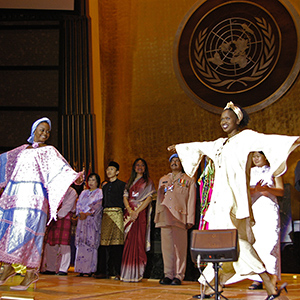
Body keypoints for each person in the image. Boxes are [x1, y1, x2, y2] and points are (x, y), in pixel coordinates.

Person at [168, 101, 300, 299]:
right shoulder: (220, 144)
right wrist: (179, 147)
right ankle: (214, 286)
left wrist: (293, 141)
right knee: (220, 244)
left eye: (227, 118)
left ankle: (267, 282)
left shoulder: (247, 138)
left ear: (237, 120)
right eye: (221, 119)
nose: (223, 122)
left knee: (235, 243)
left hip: (234, 202)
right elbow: (201, 147)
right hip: (218, 203)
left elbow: (269, 141)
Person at [0, 117, 84, 290]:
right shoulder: (23, 150)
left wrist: (75, 176)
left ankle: (30, 274)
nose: (45, 133)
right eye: (42, 129)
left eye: (47, 131)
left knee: (31, 233)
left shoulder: (49, 151)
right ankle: (8, 267)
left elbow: (62, 169)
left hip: (35, 199)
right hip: (16, 197)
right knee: (12, 231)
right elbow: (5, 162)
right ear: (34, 130)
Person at [155, 153, 196, 285]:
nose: (174, 163)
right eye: (172, 160)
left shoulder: (189, 179)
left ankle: (179, 275)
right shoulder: (163, 179)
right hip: (165, 216)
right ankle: (168, 274)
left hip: (180, 216)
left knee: (180, 248)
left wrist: (190, 219)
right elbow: (159, 200)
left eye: (177, 161)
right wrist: (157, 215)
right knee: (166, 248)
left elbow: (191, 200)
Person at [120, 158, 155, 282]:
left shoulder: (148, 182)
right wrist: (130, 210)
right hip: (129, 215)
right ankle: (126, 273)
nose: (139, 167)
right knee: (128, 242)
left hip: (140, 215)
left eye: (142, 165)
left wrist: (137, 211)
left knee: (138, 241)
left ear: (145, 168)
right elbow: (125, 197)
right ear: (134, 167)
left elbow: (149, 198)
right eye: (137, 165)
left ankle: (137, 273)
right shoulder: (129, 182)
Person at [94, 161, 126, 280]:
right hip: (106, 215)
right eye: (108, 169)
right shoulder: (105, 186)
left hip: (117, 214)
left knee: (117, 244)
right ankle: (103, 271)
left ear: (117, 172)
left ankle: (118, 271)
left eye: (112, 169)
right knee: (104, 244)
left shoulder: (122, 185)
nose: (109, 171)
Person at [42, 186, 78, 276]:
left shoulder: (72, 191)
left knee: (64, 244)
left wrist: (58, 215)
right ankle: (50, 268)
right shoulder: (55, 189)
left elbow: (68, 206)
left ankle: (63, 268)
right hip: (53, 217)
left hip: (64, 217)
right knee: (51, 243)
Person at [74, 172, 103, 277]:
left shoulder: (99, 192)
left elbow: (98, 206)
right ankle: (80, 269)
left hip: (91, 220)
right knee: (81, 243)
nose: (91, 182)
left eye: (94, 180)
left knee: (90, 243)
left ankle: (90, 269)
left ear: (97, 182)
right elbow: (78, 205)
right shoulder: (83, 193)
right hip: (82, 220)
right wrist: (80, 213)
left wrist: (88, 213)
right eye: (90, 180)